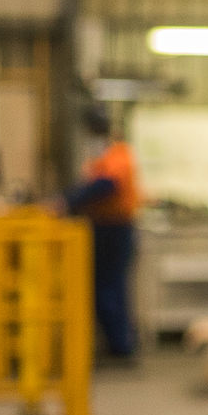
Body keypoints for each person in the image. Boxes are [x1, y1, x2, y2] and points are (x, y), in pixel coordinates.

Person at [64, 104, 143, 363]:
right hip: (103, 226)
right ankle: (115, 343)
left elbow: (106, 186)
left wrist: (67, 202)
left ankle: (121, 346)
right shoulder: (101, 156)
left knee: (110, 289)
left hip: (115, 228)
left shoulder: (119, 153)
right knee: (105, 287)